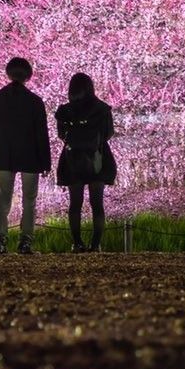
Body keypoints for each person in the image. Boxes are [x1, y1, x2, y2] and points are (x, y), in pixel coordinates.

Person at [0, 57, 51, 254]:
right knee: (29, 199)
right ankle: (25, 241)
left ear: (8, 73)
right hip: (30, 155)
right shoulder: (35, 102)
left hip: (4, 154)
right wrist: (45, 161)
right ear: (28, 76)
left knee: (3, 198)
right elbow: (41, 133)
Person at [55, 72, 117, 251]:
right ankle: (95, 244)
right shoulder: (102, 109)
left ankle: (77, 243)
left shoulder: (65, 111)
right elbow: (108, 133)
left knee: (75, 204)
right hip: (97, 157)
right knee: (97, 204)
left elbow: (61, 135)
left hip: (72, 159)